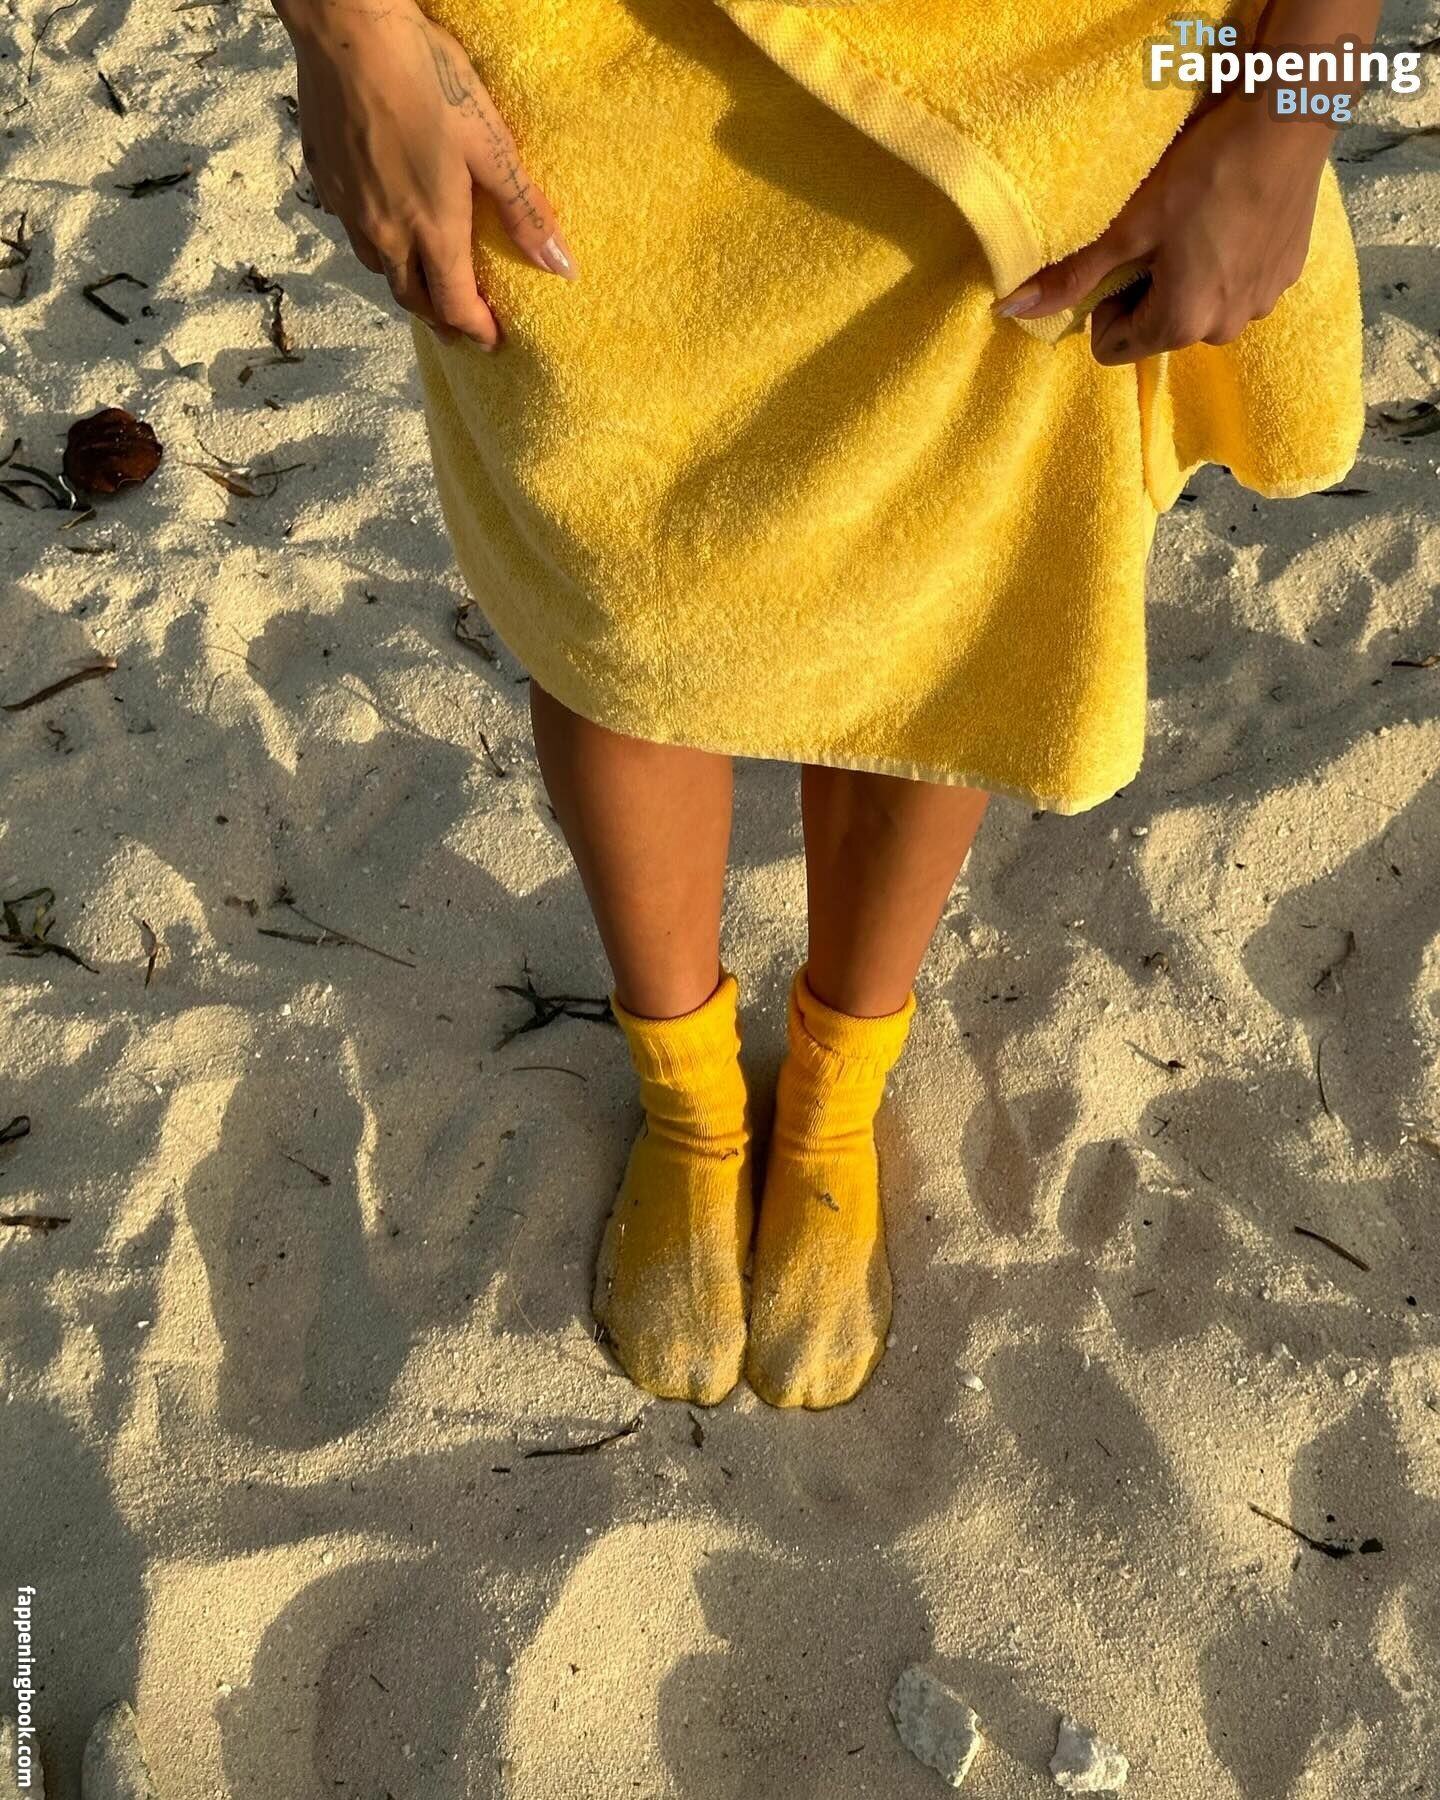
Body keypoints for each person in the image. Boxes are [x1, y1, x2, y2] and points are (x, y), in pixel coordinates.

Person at [274, 0, 1374, 1410]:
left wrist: (1290, 107)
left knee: (942, 596)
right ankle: (690, 1106)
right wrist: (347, 34)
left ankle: (833, 1100)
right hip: (586, 62)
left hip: (1032, 69)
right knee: (621, 596)